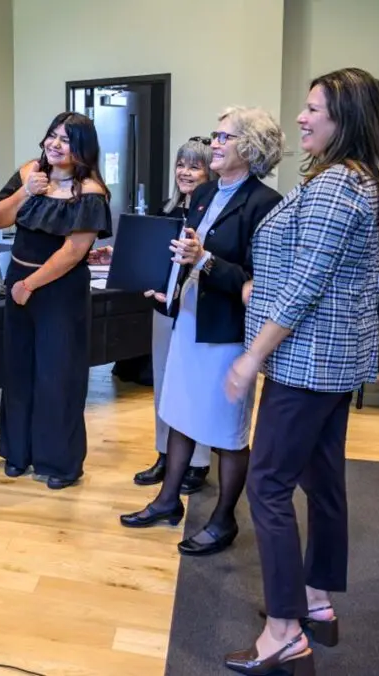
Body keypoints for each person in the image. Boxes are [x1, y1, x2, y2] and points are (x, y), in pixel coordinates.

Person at [223, 68, 379, 674]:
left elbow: (303, 287)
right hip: (336, 362)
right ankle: (318, 602)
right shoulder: (360, 181)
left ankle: (282, 630)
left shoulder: (334, 188)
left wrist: (252, 357)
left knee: (268, 485)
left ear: (345, 119)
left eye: (313, 109)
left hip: (305, 360)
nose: (301, 118)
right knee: (322, 480)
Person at [120, 106, 285, 558]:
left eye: (224, 137)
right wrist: (165, 286)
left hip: (226, 331)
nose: (214, 143)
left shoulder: (264, 204)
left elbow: (257, 281)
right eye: (214, 135)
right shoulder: (205, 192)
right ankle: (168, 501)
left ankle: (224, 519)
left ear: (249, 148)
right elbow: (183, 251)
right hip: (189, 316)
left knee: (227, 431)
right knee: (179, 411)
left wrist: (205, 260)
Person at [0, 112, 112, 489]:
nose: (55, 144)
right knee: (18, 368)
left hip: (58, 290)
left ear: (82, 150)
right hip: (17, 281)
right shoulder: (31, 171)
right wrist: (27, 190)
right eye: (52, 136)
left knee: (57, 374)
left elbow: (74, 251)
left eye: (66, 139)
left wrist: (30, 284)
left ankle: (59, 463)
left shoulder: (91, 192)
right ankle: (18, 453)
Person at [133, 137, 217, 494]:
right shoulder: (167, 210)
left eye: (195, 165)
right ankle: (165, 455)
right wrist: (147, 281)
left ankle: (197, 462)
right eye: (181, 164)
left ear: (210, 171)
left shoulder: (214, 213)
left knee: (194, 387)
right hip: (163, 309)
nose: (185, 171)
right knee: (164, 384)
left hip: (198, 310)